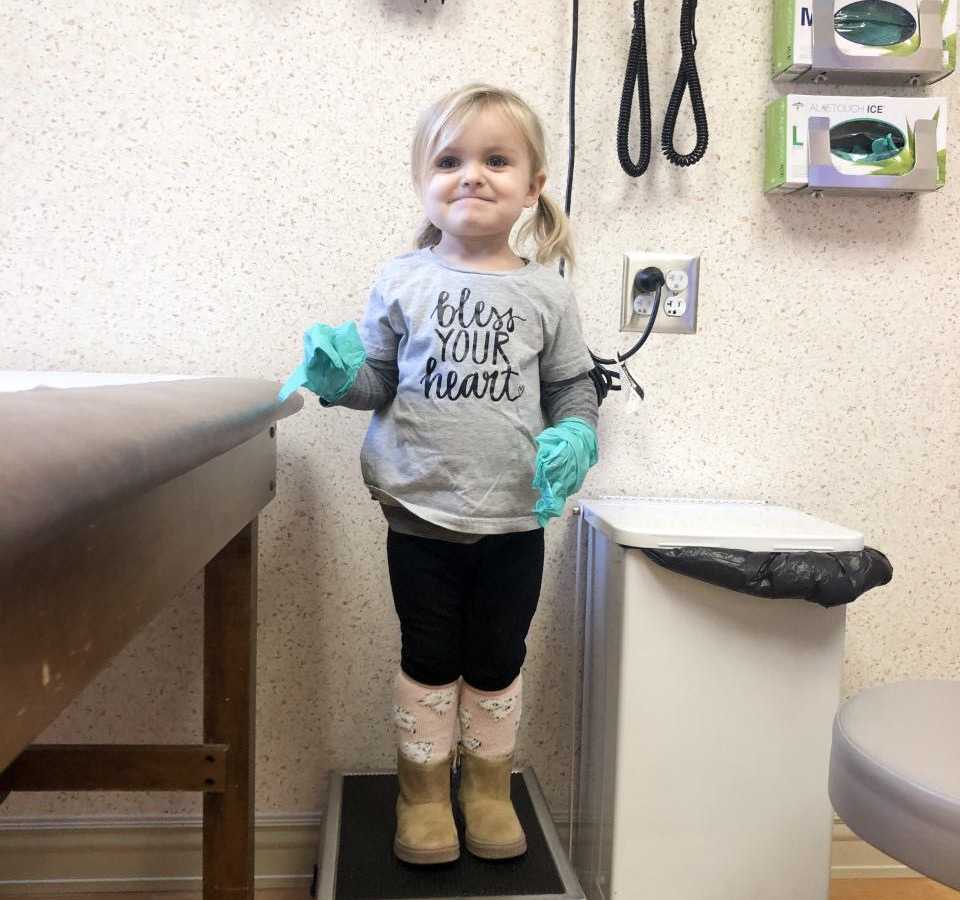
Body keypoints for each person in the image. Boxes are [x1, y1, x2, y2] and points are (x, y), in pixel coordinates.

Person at [280, 83, 599, 865]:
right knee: (429, 653)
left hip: (515, 518)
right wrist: (333, 378)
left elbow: (572, 387)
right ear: (425, 179)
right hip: (418, 514)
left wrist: (578, 436)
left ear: (535, 184)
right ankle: (421, 792)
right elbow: (376, 384)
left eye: (496, 159)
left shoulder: (547, 291)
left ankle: (486, 787)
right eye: (450, 160)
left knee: (499, 654)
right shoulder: (401, 280)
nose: (472, 175)